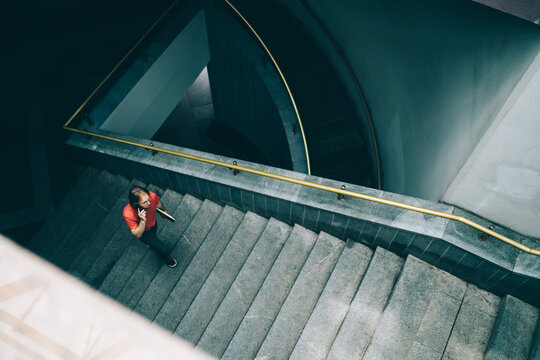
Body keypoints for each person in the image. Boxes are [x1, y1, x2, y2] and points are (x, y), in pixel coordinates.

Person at [123, 186, 177, 268]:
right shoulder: (128, 214)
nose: (149, 203)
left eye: (148, 199)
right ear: (136, 204)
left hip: (153, 224)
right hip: (143, 232)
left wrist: (164, 212)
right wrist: (142, 221)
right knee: (163, 249)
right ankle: (165, 258)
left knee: (154, 235)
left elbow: (158, 204)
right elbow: (137, 234)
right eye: (144, 202)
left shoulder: (152, 196)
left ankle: (152, 243)